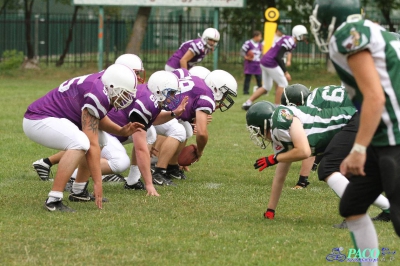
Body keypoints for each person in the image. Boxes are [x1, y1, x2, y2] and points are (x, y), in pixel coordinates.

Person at [311, 0, 400, 254]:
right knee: (352, 206)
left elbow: (374, 96)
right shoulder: (373, 30)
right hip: (382, 131)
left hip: (394, 133)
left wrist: (359, 148)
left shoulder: (346, 37)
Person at [23, 63, 144, 212]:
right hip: (38, 119)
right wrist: (98, 182)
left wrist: (121, 131)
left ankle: (79, 191)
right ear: (112, 86)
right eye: (124, 93)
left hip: (53, 118)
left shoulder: (104, 84)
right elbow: (91, 143)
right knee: (80, 143)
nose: (125, 98)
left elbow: (96, 117)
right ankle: (53, 199)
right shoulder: (98, 93)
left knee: (101, 140)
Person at [279, 84, 391, 228]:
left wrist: (302, 181)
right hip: (377, 112)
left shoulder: (311, 107)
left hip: (367, 116)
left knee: (329, 168)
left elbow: (309, 146)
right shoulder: (320, 94)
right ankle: (389, 209)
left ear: (297, 104)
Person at [151, 68, 238, 185]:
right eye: (225, 94)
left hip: (161, 111)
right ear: (216, 88)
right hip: (155, 113)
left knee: (186, 128)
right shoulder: (207, 96)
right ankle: (158, 172)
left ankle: (172, 167)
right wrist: (200, 151)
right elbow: (202, 133)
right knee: (179, 130)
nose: (224, 98)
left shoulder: (198, 82)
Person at [242, 25, 308, 109]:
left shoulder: (289, 39)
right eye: (303, 35)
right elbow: (278, 57)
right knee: (283, 83)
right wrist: (285, 72)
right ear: (298, 35)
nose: (305, 37)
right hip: (270, 62)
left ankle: (247, 103)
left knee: (266, 87)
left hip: (265, 61)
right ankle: (276, 107)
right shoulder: (289, 41)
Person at [240, 30, 263, 95]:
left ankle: (260, 90)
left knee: (259, 78)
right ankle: (245, 91)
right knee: (248, 78)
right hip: (249, 64)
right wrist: (246, 57)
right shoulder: (248, 43)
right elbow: (242, 51)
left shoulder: (260, 44)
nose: (260, 38)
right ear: (255, 36)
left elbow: (261, 53)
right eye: (259, 36)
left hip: (257, 64)